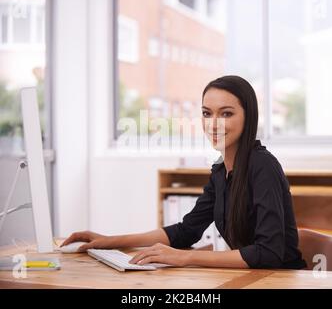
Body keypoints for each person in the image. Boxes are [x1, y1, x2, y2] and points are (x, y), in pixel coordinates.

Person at [61, 75, 307, 269]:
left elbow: (269, 252)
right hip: (250, 280)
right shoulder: (221, 172)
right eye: (206, 113)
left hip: (280, 280)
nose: (213, 124)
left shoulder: (263, 166)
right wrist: (110, 241)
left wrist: (185, 258)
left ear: (248, 116)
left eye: (226, 113)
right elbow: (185, 231)